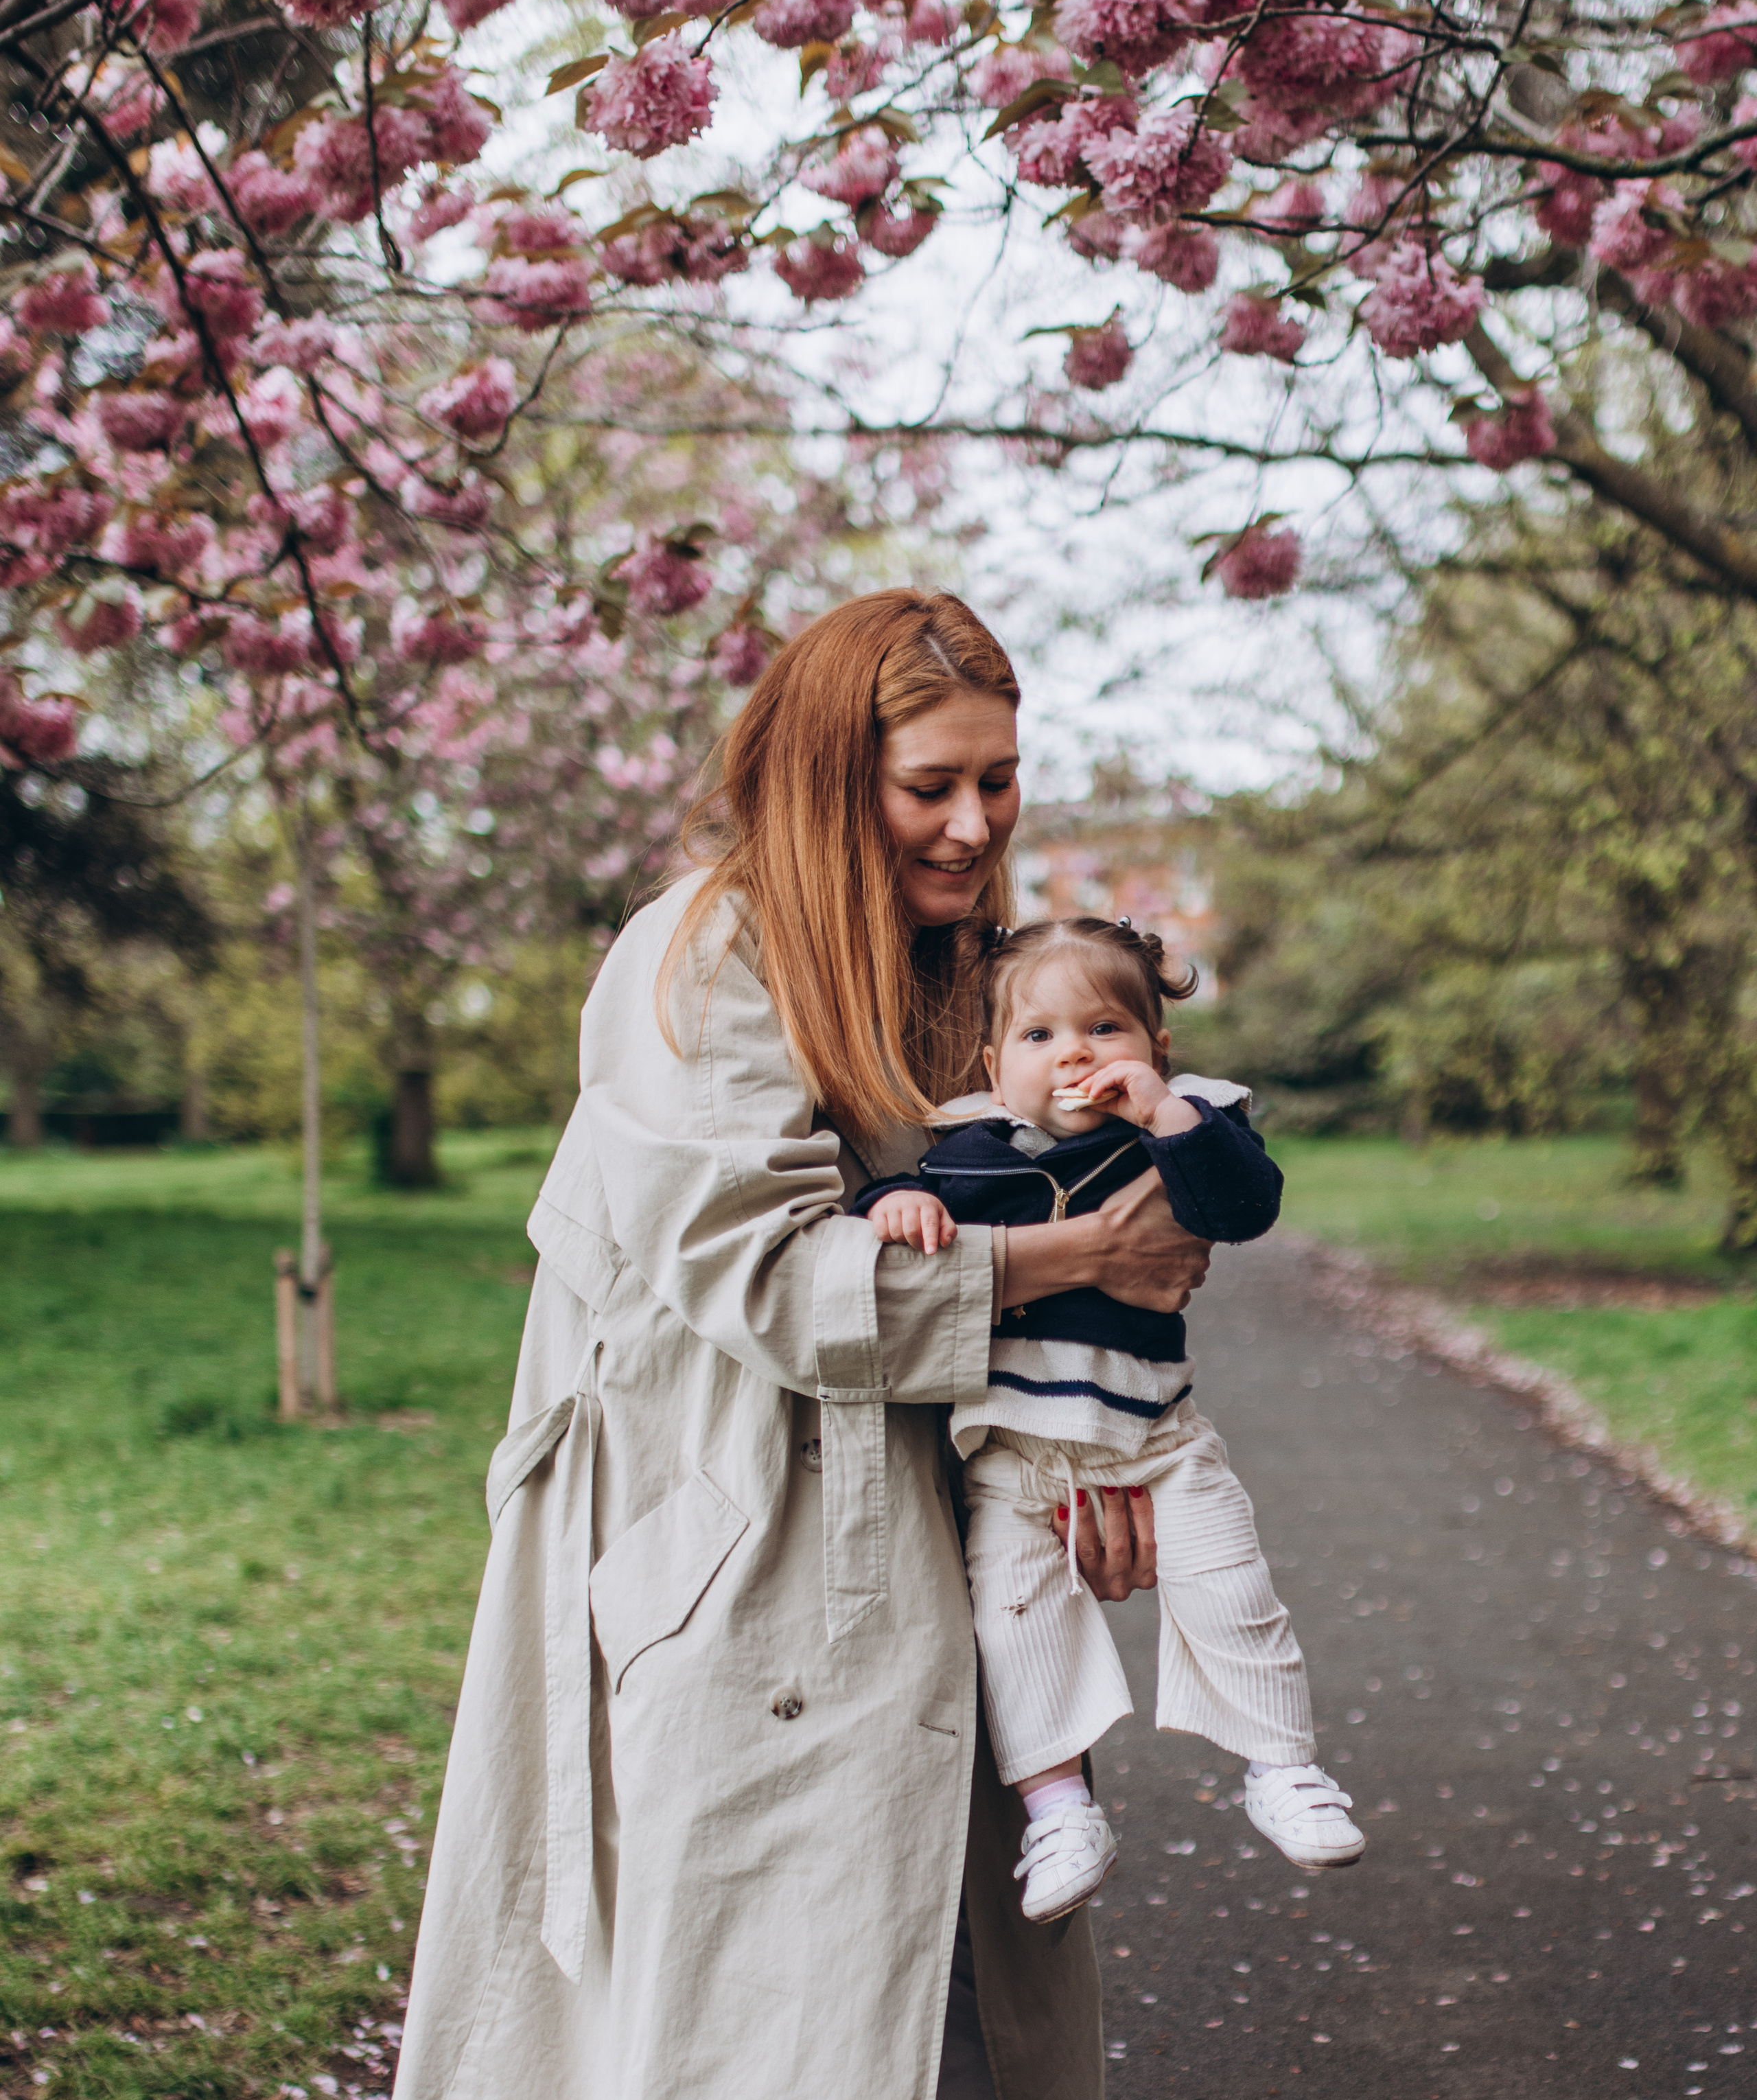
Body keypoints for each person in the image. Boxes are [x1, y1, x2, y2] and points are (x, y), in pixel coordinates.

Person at [393, 590, 1213, 2100]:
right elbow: (773, 1277)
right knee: (767, 2017)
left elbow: (1088, 1223)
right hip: (747, 1563)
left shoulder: (975, 973)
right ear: (829, 776)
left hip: (954, 1535)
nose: (973, 823)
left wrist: (1093, 1454)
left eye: (999, 776)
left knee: (949, 2005)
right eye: (929, 785)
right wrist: (1080, 1256)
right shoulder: (700, 960)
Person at [854, 915, 1366, 1926]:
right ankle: (1057, 1809)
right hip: (1013, 1457)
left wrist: (1168, 1113)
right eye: (1040, 1038)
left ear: (1158, 1046)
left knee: (1233, 1590)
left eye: (1104, 1028)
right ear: (997, 1066)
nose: (1076, 1053)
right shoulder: (967, 1151)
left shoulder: (1189, 1127)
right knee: (1018, 1626)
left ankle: (1283, 1764)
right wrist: (891, 1208)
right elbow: (890, 1200)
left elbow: (1242, 1207)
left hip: (1162, 1443)